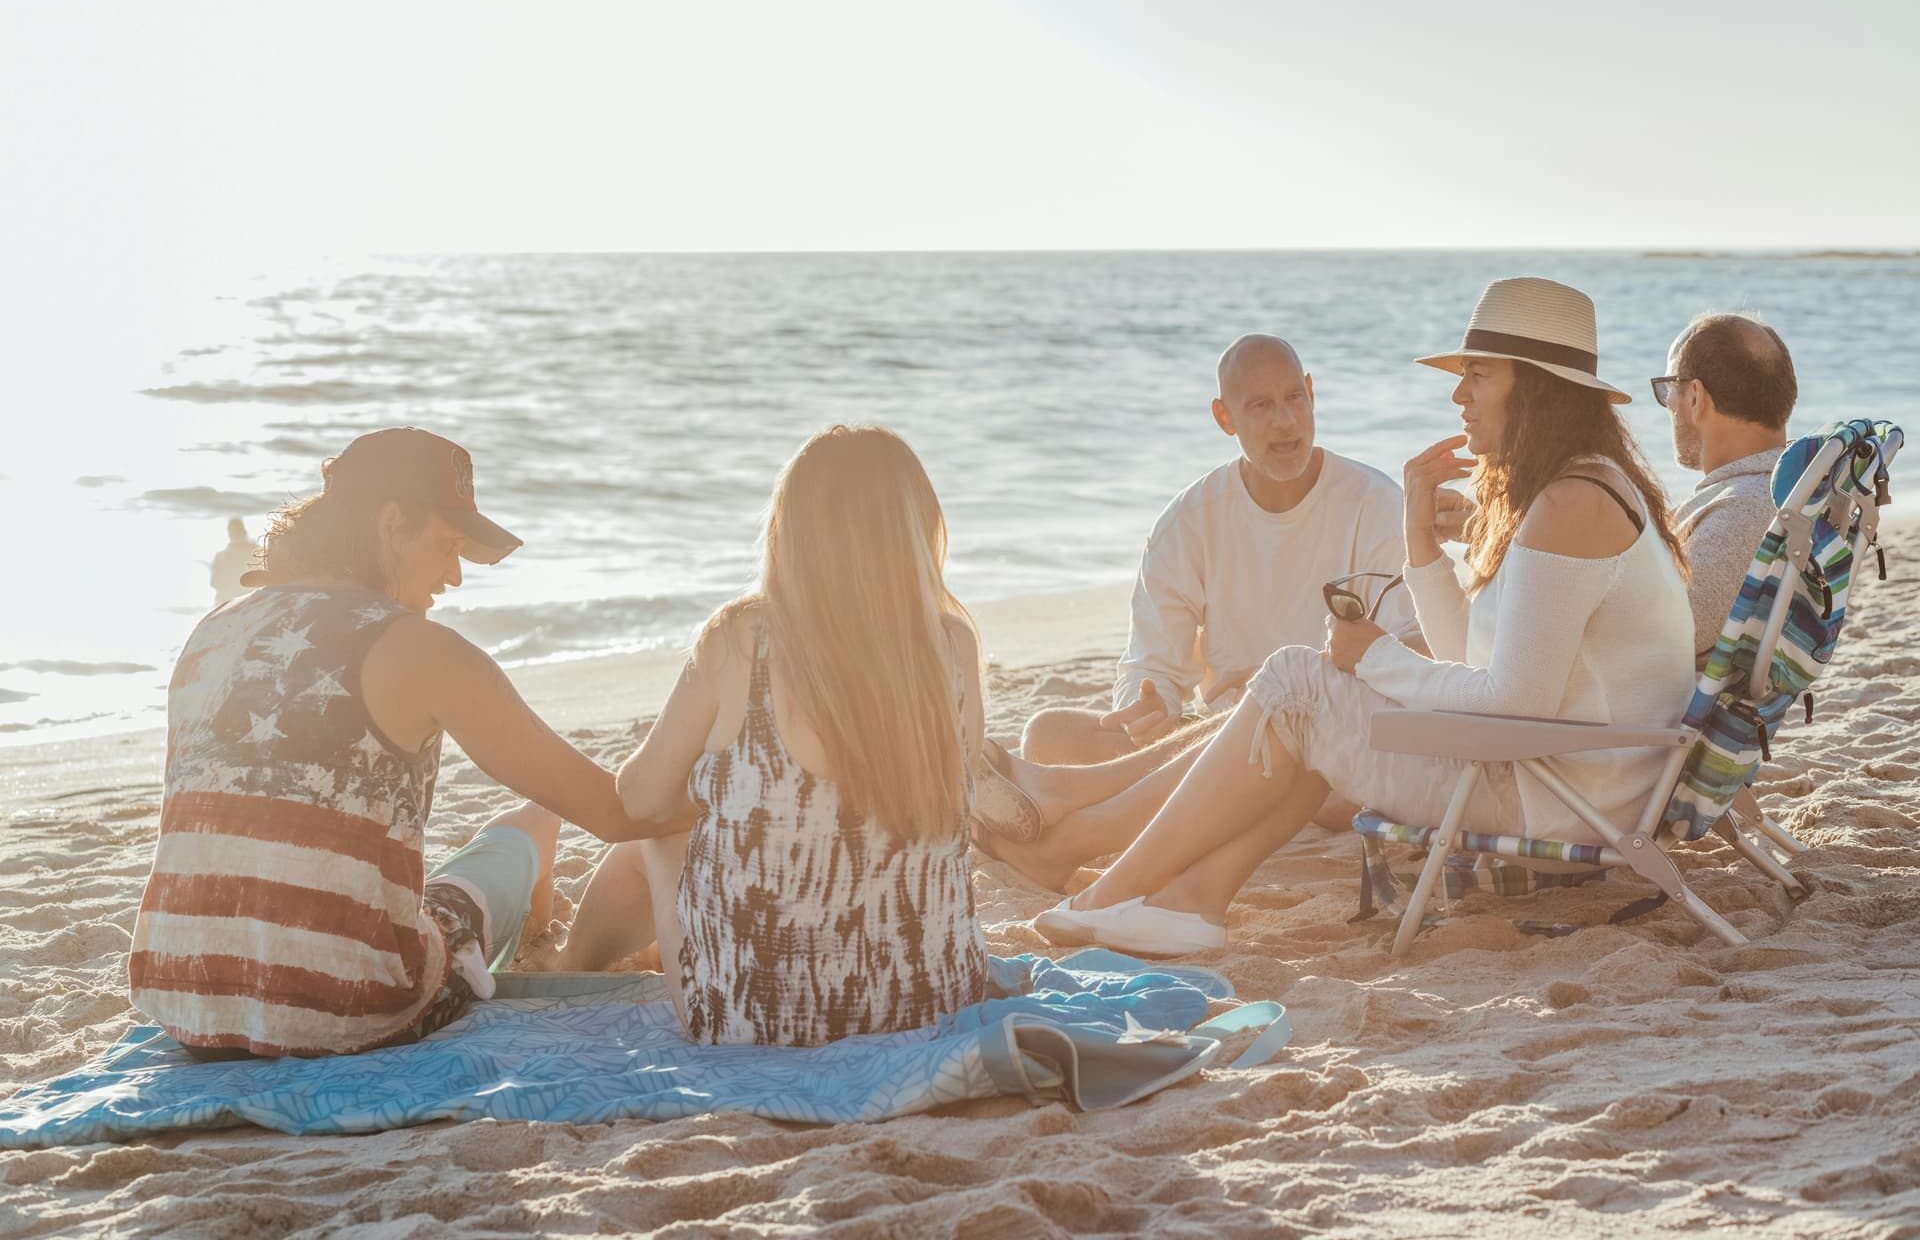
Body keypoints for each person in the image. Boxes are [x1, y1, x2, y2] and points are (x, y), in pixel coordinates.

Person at [1023, 277, 1697, 956]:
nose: (1459, 395)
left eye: (1478, 376)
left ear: (1536, 387)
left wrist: (1373, 657)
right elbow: (1467, 656)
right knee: (1308, 697)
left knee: (1296, 680)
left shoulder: (1571, 506)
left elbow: (1515, 701)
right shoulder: (1576, 490)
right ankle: (1192, 900)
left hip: (1564, 800)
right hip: (1568, 780)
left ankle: (1114, 890)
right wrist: (1420, 538)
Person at [129, 428, 646, 1059]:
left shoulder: (212, 630)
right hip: (351, 1010)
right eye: (450, 543)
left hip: (185, 1002)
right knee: (532, 823)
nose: (455, 575)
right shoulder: (423, 650)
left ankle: (541, 936)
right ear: (393, 522)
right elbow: (616, 812)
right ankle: (549, 945)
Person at [558, 425, 991, 1048]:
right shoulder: (952, 644)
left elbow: (641, 800)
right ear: (917, 531)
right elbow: (957, 791)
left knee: (657, 839)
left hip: (758, 1020)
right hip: (931, 999)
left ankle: (572, 970)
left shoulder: (742, 639)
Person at [1019, 335, 1417, 766]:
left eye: (1294, 399)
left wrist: (1292, 689)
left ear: (1312, 395)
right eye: (1261, 406)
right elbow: (1153, 667)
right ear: (1224, 417)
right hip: (1224, 742)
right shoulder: (1188, 521)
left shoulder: (1375, 504)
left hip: (1337, 740)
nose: (1285, 420)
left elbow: (1410, 660)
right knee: (1049, 734)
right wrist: (1148, 707)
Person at [1655, 313, 1796, 663]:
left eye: (1669, 388)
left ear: (1695, 397)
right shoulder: (1782, 489)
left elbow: (1661, 640)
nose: (1668, 403)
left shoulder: (1742, 511)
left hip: (1649, 707)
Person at [209, 517, 255, 605]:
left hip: (233, 602)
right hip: (237, 602)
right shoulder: (255, 551)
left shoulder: (221, 556)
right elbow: (215, 583)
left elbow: (215, 583)